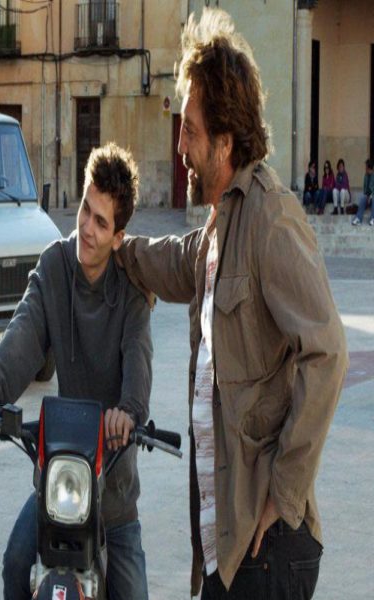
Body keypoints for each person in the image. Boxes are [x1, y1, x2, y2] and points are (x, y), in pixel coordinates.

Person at [117, 9, 348, 599]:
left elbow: (327, 353)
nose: (180, 146)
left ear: (224, 141)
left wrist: (283, 495)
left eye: (191, 132)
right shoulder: (221, 226)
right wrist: (117, 250)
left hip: (268, 547)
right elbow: (178, 262)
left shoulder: (272, 218)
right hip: (231, 546)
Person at [0, 143, 153, 600]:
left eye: (101, 222)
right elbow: (23, 334)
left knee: (134, 593)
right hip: (61, 478)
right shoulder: (54, 265)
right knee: (15, 563)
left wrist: (129, 411)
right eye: (85, 211)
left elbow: (139, 356)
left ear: (119, 237)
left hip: (113, 487)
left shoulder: (132, 289)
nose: (87, 229)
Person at [351, 158, 374, 225]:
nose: (365, 168)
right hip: (368, 197)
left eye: (366, 167)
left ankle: (373, 218)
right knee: (363, 198)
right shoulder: (366, 176)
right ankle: (358, 218)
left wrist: (371, 196)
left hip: (373, 197)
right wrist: (367, 196)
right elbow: (365, 189)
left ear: (369, 168)